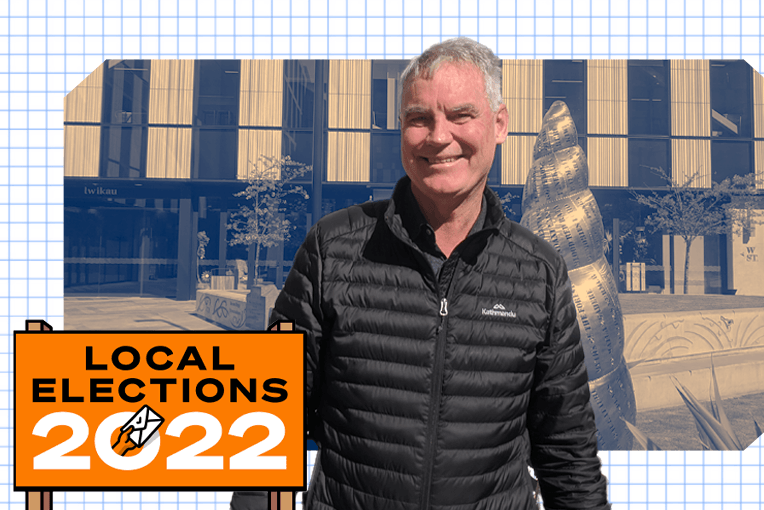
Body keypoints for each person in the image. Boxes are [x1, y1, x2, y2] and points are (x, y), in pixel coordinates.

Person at [232, 37, 609, 510]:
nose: (438, 135)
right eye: (419, 118)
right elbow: (268, 423)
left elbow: (568, 452)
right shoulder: (332, 249)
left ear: (499, 125)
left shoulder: (539, 271)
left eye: (460, 115)